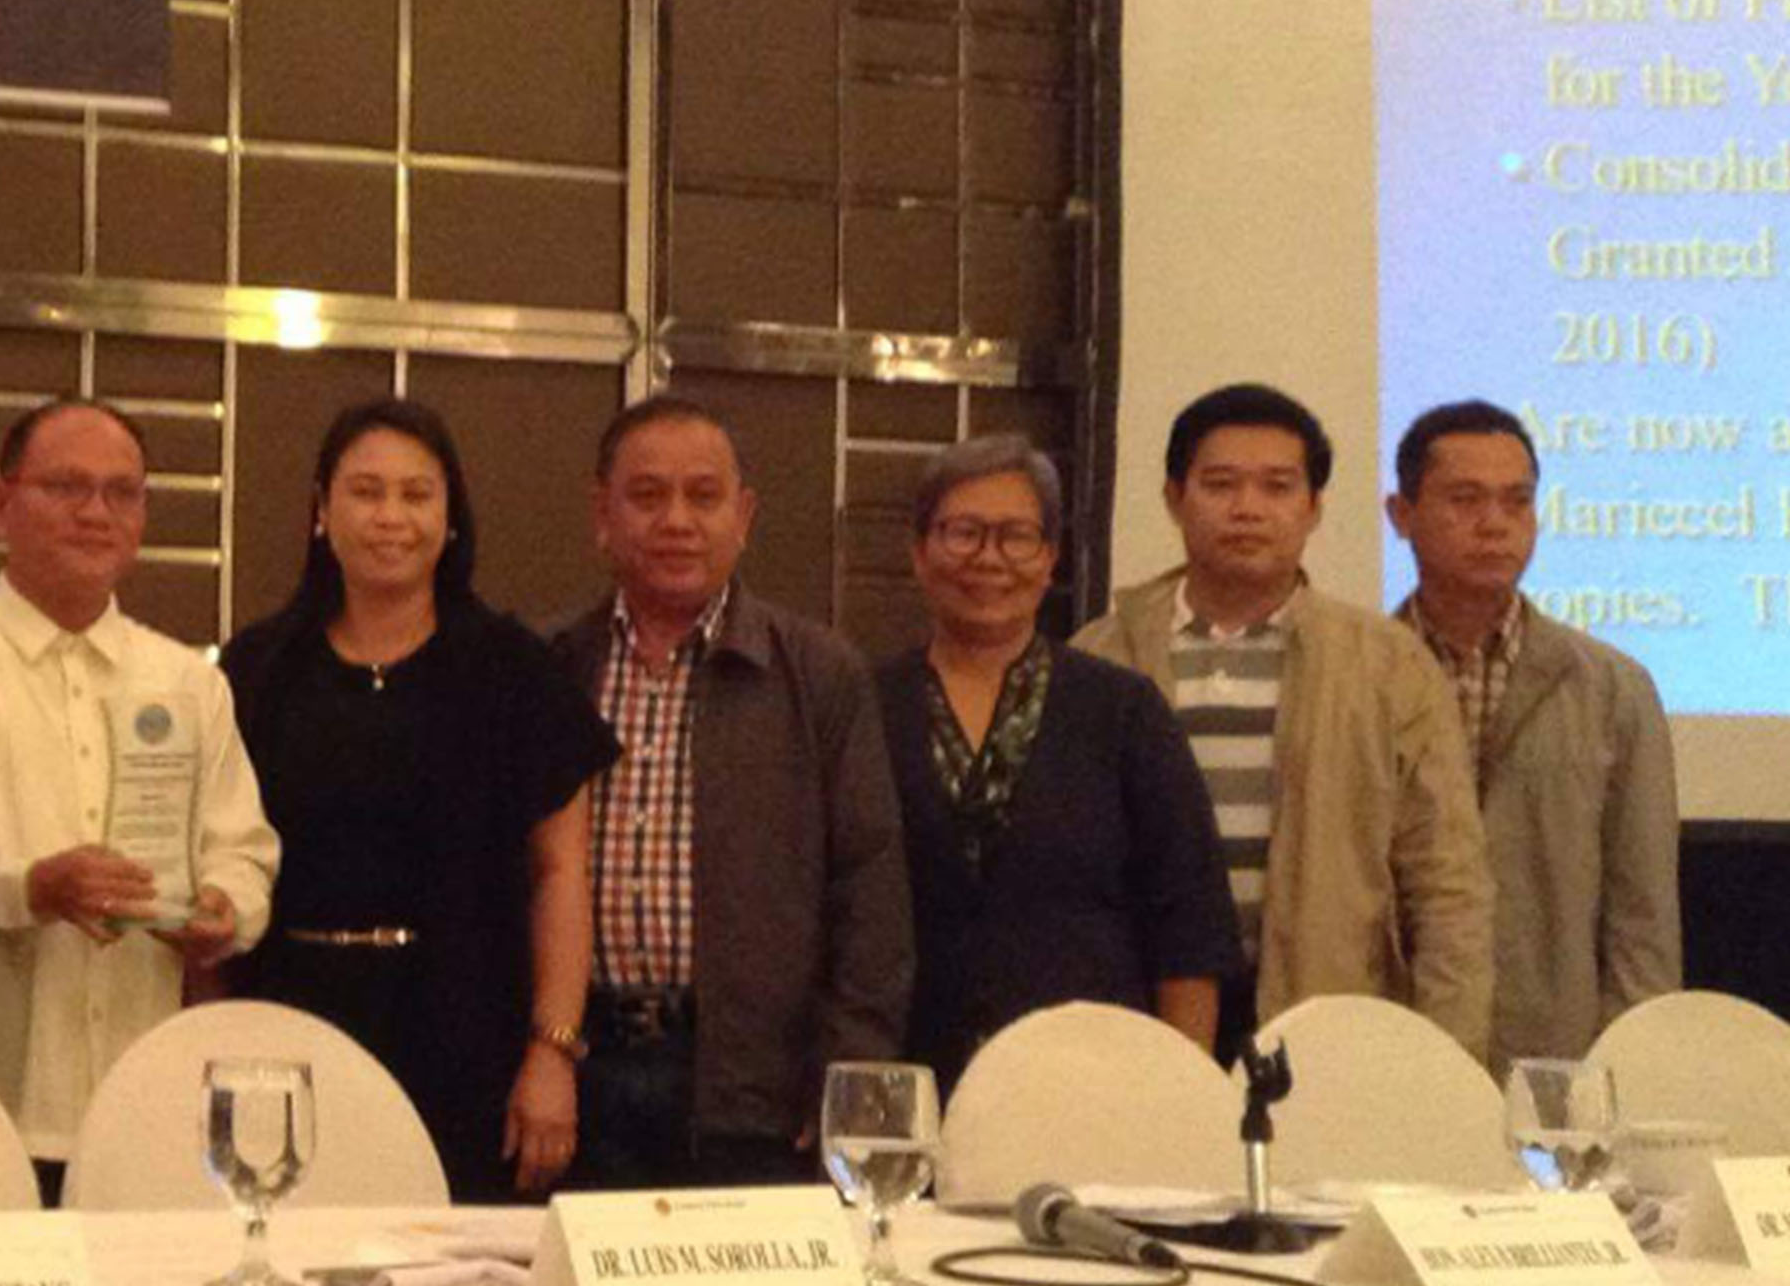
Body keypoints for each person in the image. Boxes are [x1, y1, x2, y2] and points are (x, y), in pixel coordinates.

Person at [222, 399, 613, 1204]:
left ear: (451, 515)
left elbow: (560, 874)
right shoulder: (259, 668)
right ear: (321, 512)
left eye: (416, 494)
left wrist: (554, 1051)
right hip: (288, 1027)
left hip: (467, 1029)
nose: (390, 517)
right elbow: (219, 862)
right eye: (365, 492)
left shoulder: (513, 667)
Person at [0, 399, 278, 1198]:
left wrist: (224, 909)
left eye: (122, 492)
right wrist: (31, 889)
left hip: (152, 1103)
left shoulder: (188, 681)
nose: (96, 513)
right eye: (66, 487)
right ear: (0, 505)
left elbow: (245, 849)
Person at [553, 394, 909, 1187]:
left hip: (756, 1086)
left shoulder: (819, 673)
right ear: (601, 514)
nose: (677, 520)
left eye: (704, 496)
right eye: (647, 496)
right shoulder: (552, 669)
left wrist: (844, 1079)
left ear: (744, 516)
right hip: (584, 1070)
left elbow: (870, 893)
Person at [1077, 382, 1491, 1059]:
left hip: (1326, 1024)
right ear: (1174, 498)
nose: (1248, 509)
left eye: (1276, 487)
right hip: (1139, 1022)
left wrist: (1448, 1063)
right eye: (1220, 484)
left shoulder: (1386, 664)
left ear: (1314, 507)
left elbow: (1447, 885)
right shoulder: (1104, 653)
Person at [873, 436, 1237, 1090]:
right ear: (919, 551)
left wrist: (1186, 1095)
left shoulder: (1122, 709)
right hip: (906, 1075)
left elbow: (1190, 924)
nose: (988, 558)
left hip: (1093, 1078)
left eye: (1016, 536)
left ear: (1050, 559)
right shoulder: (864, 704)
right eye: (962, 533)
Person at [1384, 398, 1677, 1065]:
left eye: (1516, 503)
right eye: (1465, 499)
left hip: (1554, 1049)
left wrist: (1631, 1060)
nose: (1494, 525)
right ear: (1402, 515)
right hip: (1391, 1040)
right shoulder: (1357, 679)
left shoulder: (1610, 688)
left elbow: (1643, 916)